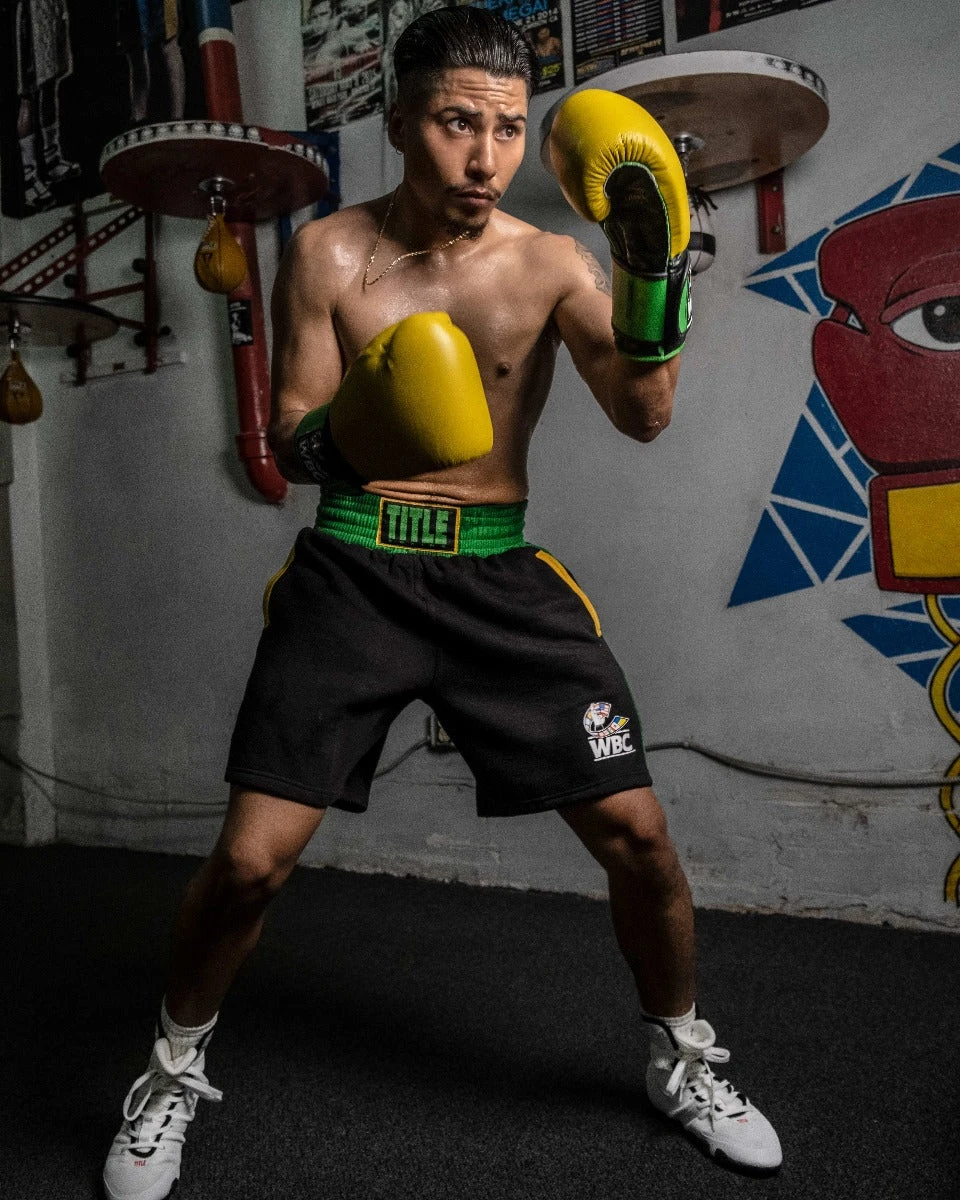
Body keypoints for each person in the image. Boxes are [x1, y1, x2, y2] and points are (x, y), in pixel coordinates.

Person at [102, 8, 781, 1198]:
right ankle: (169, 1069)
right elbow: (290, 440)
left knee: (641, 838)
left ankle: (681, 1056)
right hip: (354, 570)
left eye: (508, 130)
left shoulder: (550, 263)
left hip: (497, 577)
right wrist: (367, 428)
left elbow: (646, 413)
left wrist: (650, 270)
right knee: (250, 865)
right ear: (401, 120)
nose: (486, 157)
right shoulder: (329, 255)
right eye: (459, 123)